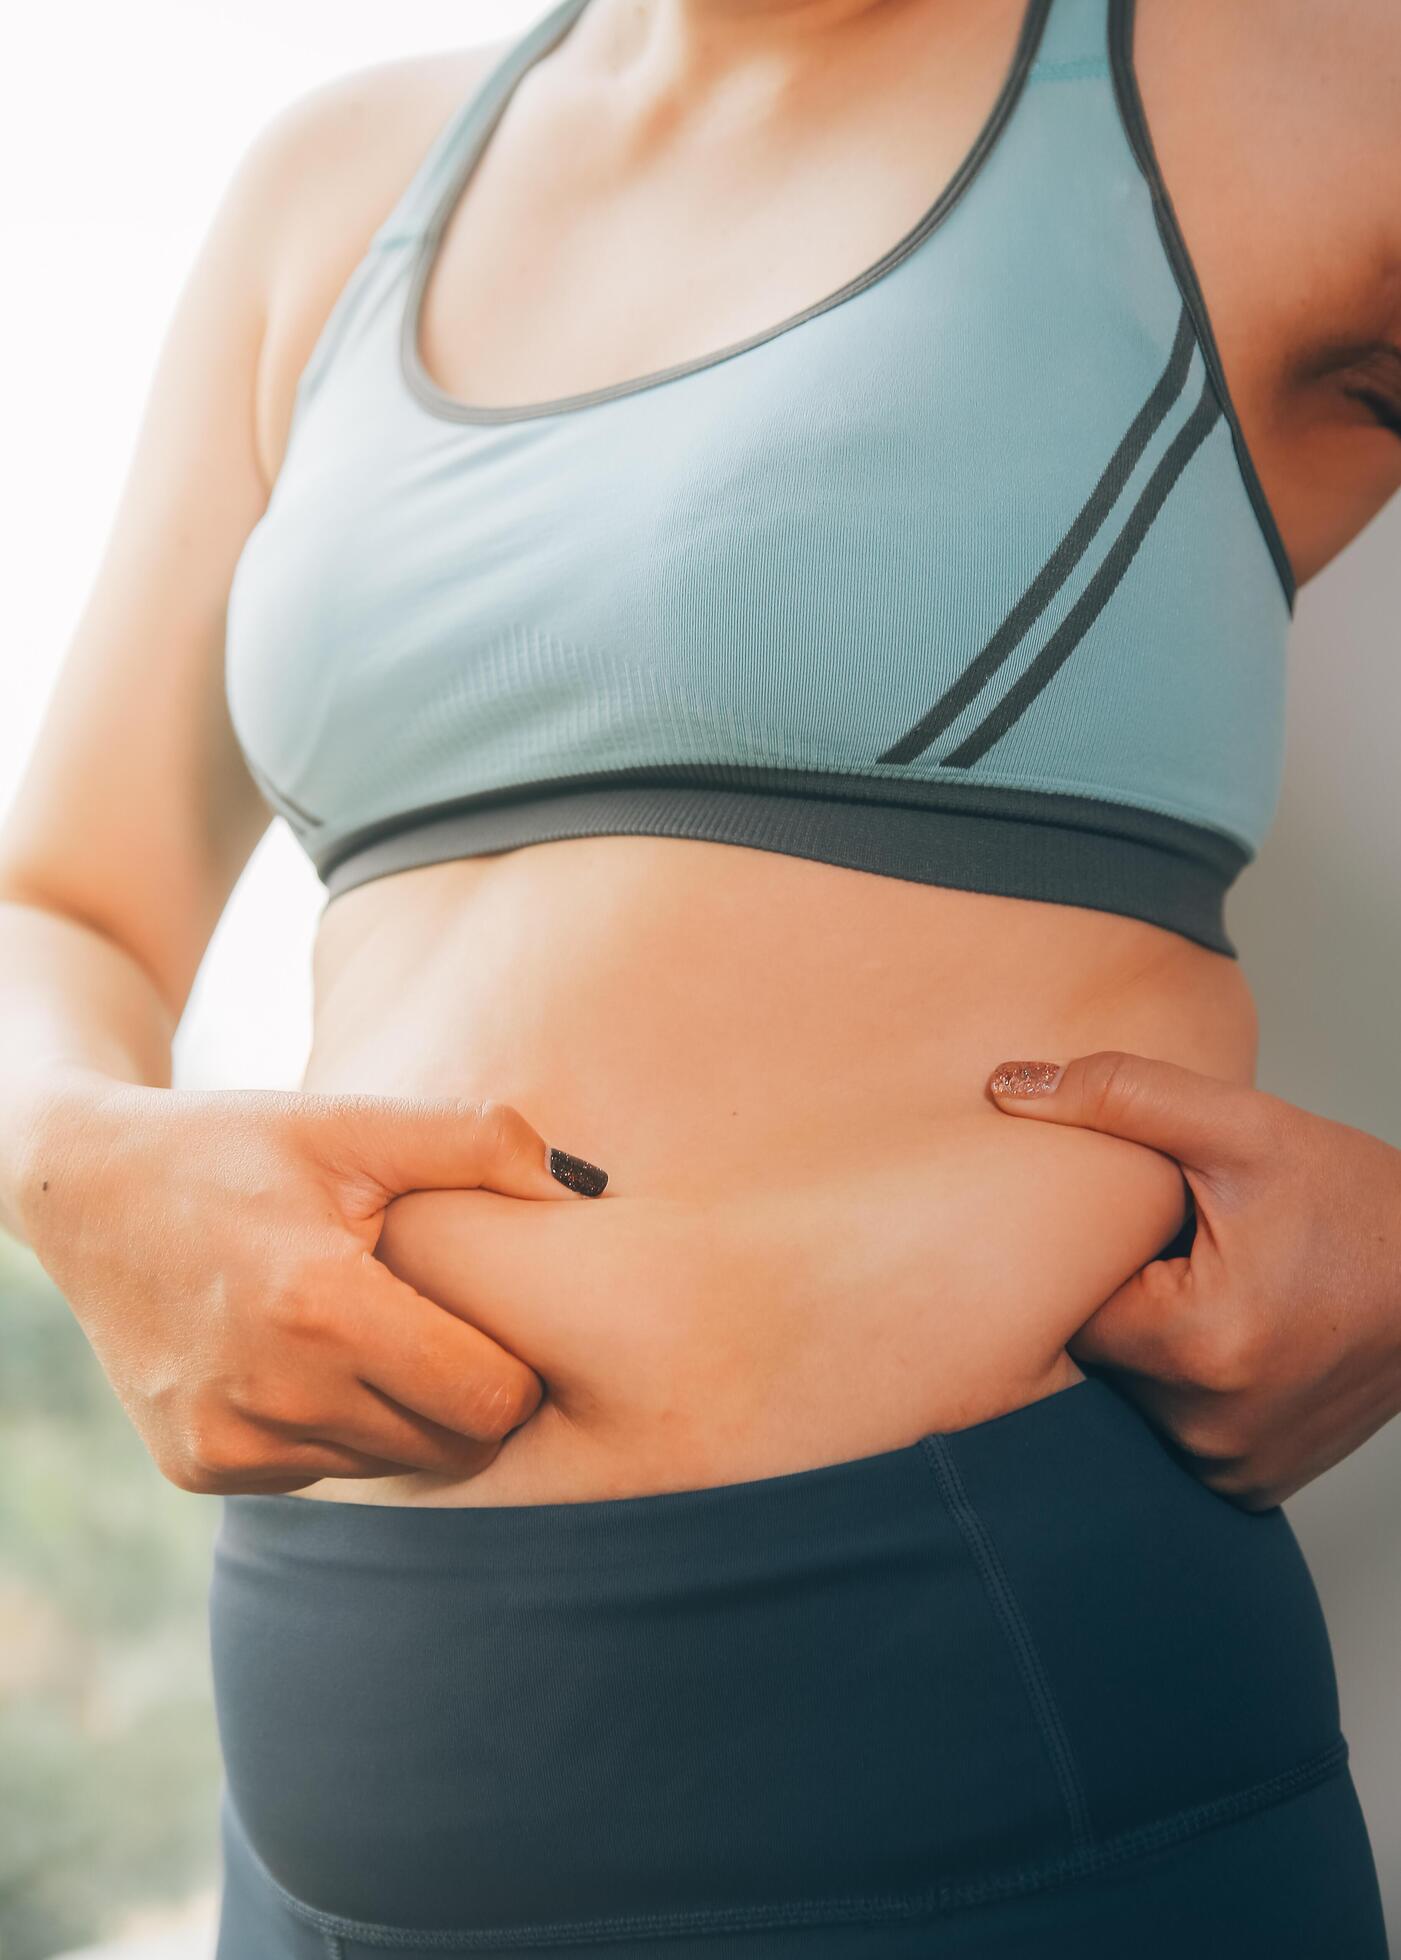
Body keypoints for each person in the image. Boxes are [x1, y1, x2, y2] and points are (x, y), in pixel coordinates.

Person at [1, 0, 1398, 1951]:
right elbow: (59, 900)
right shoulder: (336, 184)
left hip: (988, 1750)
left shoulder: (1281, 92)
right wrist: (77, 1165)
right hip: (331, 1778)